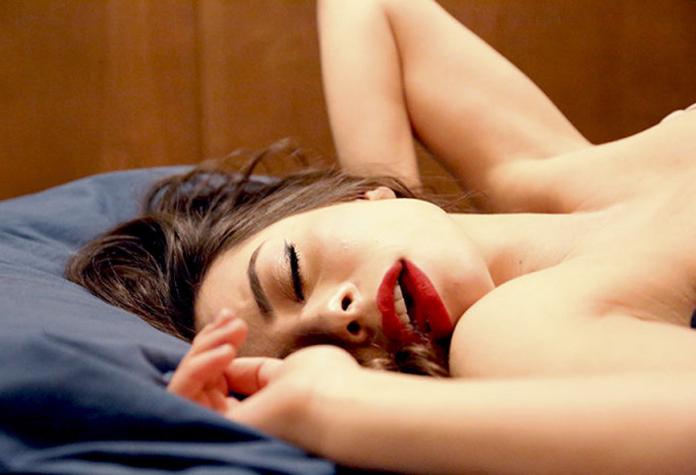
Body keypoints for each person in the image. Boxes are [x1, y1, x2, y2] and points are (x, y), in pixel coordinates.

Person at [67, 0, 696, 473]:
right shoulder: (508, 331)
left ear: (352, 197)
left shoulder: (538, 173)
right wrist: (328, 404)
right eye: (322, 349)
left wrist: (392, 194)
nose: (340, 319)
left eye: (294, 274)